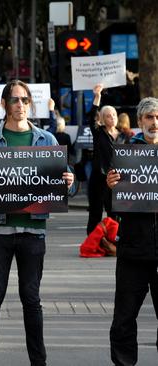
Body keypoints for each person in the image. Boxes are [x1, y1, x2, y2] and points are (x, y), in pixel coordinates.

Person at [0, 80, 74, 366]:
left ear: (30, 104)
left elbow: (65, 184)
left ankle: (39, 361)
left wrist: (70, 183)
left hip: (33, 231)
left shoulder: (46, 140)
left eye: (24, 100)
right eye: (14, 100)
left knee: (31, 299)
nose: (20, 105)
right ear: (4, 104)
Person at [107, 97, 158, 366]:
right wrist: (112, 186)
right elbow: (117, 206)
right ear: (140, 122)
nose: (155, 122)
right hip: (133, 250)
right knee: (124, 319)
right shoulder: (126, 154)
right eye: (149, 117)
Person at [86, 83, 129, 234]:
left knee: (115, 213)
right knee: (95, 213)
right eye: (108, 116)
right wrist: (97, 96)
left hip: (117, 179)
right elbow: (91, 118)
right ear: (103, 119)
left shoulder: (124, 136)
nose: (112, 118)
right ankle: (91, 243)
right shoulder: (99, 133)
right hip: (99, 178)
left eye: (114, 115)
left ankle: (115, 240)